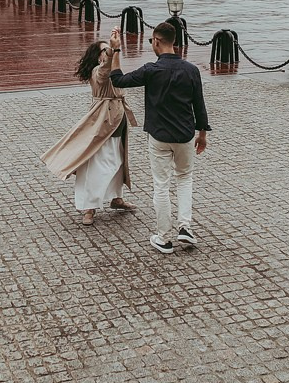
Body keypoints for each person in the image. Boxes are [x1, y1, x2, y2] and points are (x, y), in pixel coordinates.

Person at [108, 23, 211, 254]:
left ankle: (163, 237)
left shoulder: (151, 70)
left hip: (159, 135)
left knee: (161, 185)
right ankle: (185, 227)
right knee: (184, 179)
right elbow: (199, 106)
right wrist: (202, 134)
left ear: (156, 40)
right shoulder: (191, 70)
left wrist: (116, 50)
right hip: (185, 134)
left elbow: (118, 80)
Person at [41, 39, 138, 225]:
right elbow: (104, 73)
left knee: (118, 161)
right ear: (97, 55)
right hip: (103, 122)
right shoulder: (98, 71)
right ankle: (89, 207)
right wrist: (112, 50)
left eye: (107, 50)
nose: (106, 52)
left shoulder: (113, 68)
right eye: (103, 50)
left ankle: (116, 197)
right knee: (100, 164)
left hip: (117, 120)